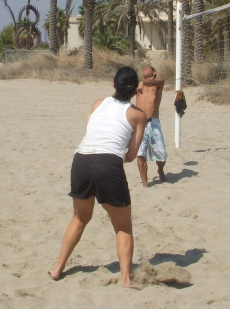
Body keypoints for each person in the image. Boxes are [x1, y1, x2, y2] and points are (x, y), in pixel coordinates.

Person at [49, 66, 146, 286]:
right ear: (135, 92)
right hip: (108, 164)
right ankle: (126, 279)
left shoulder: (97, 103)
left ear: (114, 85)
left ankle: (57, 269)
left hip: (81, 159)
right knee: (123, 227)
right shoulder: (138, 115)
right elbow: (131, 155)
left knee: (79, 218)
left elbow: (89, 132)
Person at [135, 65, 167, 187]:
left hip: (153, 122)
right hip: (140, 123)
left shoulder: (159, 83)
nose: (144, 67)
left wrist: (141, 83)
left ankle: (160, 169)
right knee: (140, 153)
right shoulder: (138, 85)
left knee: (161, 155)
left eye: (147, 67)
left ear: (154, 72)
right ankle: (145, 182)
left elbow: (150, 82)